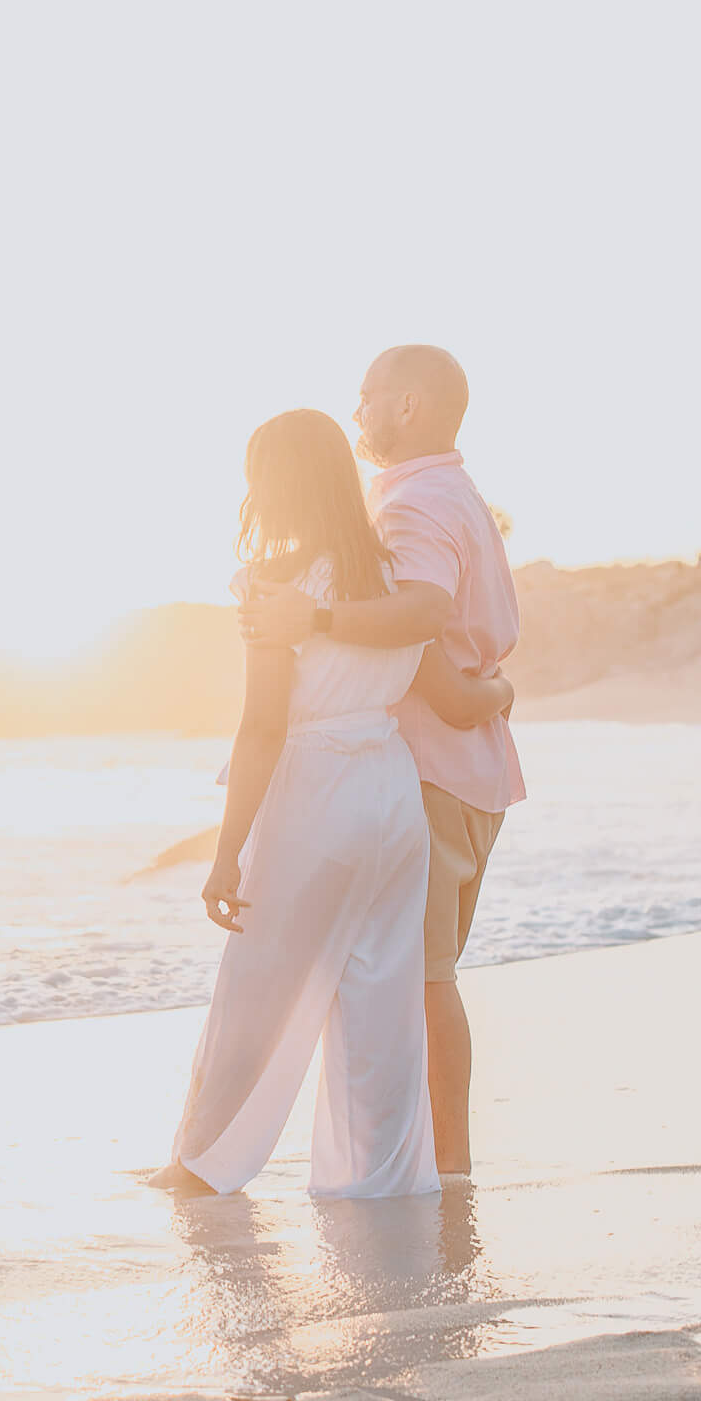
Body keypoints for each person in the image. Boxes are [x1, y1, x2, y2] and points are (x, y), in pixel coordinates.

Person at [148, 410, 512, 1199]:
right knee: (379, 997)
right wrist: (501, 690)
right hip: (390, 794)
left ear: (272, 485)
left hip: (315, 792)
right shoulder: (396, 580)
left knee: (256, 988)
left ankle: (200, 1163)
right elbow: (438, 682)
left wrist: (225, 852)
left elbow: (264, 727)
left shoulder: (274, 587)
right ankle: (379, 1180)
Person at [240, 346, 525, 1176]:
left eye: (366, 398)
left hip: (432, 770)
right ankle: (437, 1164)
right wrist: (492, 696)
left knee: (424, 983)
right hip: (473, 767)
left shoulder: (412, 505)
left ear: (407, 405)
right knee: (428, 978)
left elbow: (425, 615)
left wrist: (315, 621)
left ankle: (448, 1173)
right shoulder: (456, 493)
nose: (357, 413)